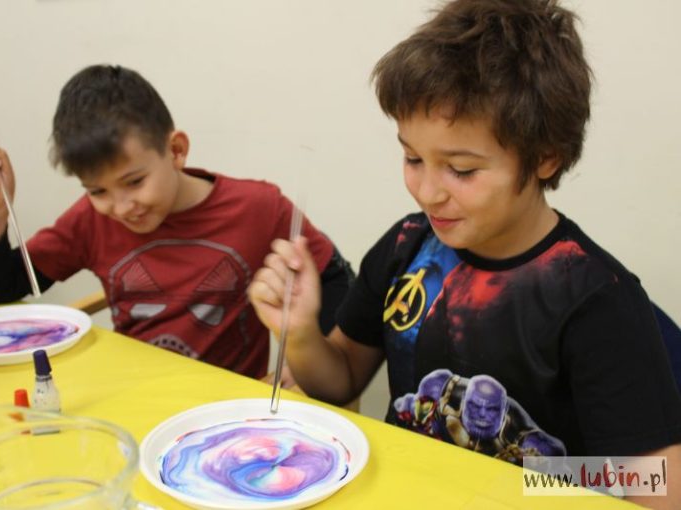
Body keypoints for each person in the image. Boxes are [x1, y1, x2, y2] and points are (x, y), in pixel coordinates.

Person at [247, 0, 681, 506]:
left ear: (545, 157)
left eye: (462, 170)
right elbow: (339, 379)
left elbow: (658, 483)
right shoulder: (406, 246)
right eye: (412, 157)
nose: (428, 192)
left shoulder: (596, 301)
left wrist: (520, 479)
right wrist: (301, 333)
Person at [0, 64, 354, 381]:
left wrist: (304, 362)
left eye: (134, 182)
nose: (121, 207)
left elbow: (335, 278)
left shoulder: (258, 208)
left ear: (176, 150)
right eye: (97, 190)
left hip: (228, 412)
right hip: (135, 399)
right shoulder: (89, 219)